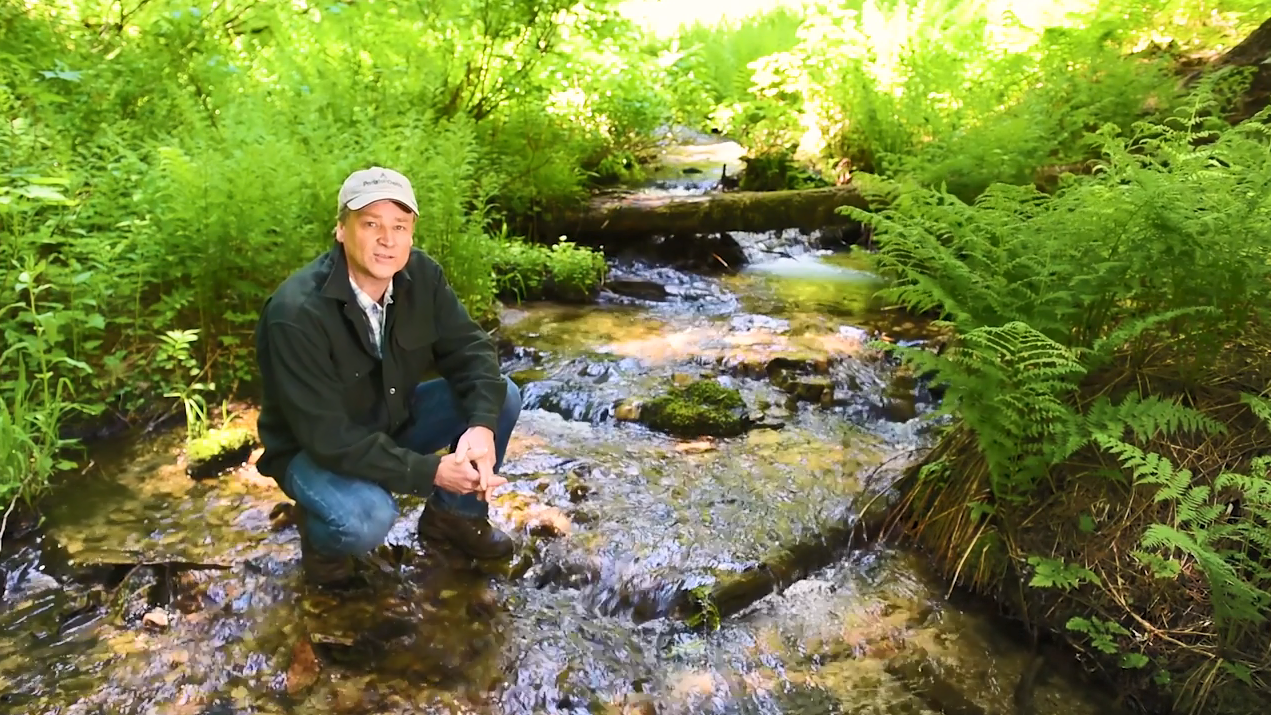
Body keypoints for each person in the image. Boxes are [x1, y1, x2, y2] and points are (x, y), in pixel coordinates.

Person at [252, 166, 521, 589]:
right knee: (368, 520)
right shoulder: (296, 313)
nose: (387, 239)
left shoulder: (422, 277)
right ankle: (323, 546)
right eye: (371, 224)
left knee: (499, 397)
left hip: (390, 419)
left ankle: (454, 518)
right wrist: (430, 471)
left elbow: (471, 351)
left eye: (400, 225)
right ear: (341, 230)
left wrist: (481, 427)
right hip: (314, 451)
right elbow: (327, 436)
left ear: (412, 232)